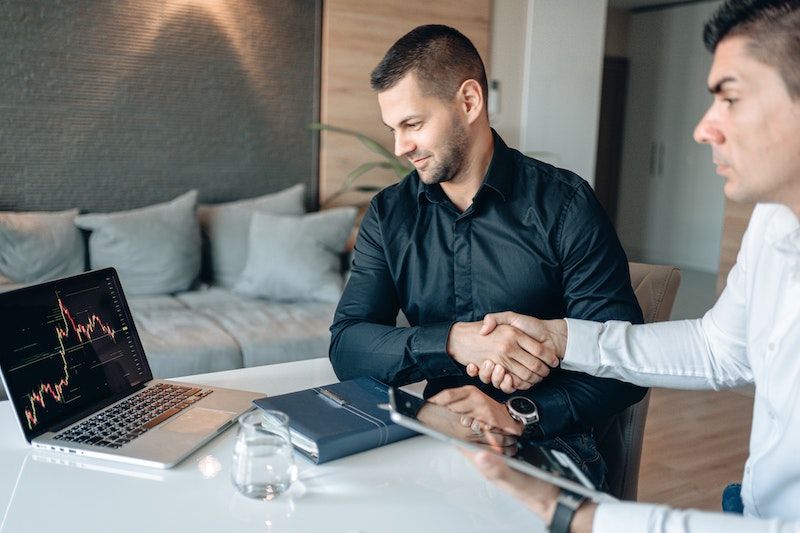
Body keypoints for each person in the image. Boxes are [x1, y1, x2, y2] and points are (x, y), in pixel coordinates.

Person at [455, 0, 800, 531]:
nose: (704, 129)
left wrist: (575, 512)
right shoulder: (776, 221)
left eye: (730, 98)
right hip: (751, 502)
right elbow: (719, 349)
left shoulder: (565, 201)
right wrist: (560, 338)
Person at [328, 24, 647, 489]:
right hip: (435, 432)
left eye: (413, 124)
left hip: (546, 437)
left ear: (470, 101)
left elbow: (627, 364)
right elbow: (347, 345)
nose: (400, 148)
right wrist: (455, 341)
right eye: (393, 130)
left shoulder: (566, 205)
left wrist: (517, 413)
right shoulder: (389, 214)